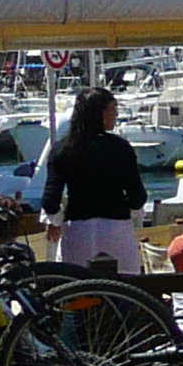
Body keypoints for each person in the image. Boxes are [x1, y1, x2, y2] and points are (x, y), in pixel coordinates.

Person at [38, 89, 148, 274]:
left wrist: (55, 221)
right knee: (126, 288)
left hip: (77, 230)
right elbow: (137, 196)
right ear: (100, 113)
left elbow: (50, 200)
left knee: (77, 290)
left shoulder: (62, 149)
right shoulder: (120, 148)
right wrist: (134, 212)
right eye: (112, 109)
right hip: (116, 228)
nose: (116, 114)